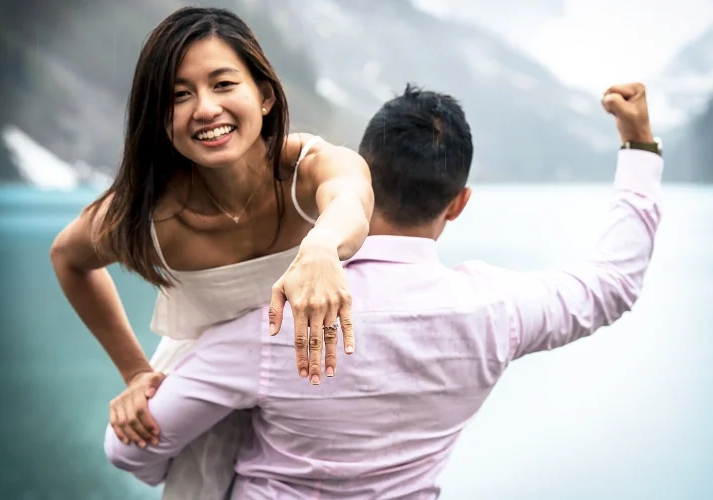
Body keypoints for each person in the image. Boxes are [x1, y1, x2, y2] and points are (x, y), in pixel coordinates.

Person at [103, 81, 663, 498]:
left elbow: (130, 448)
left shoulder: (273, 321)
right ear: (458, 202)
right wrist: (639, 146)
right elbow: (612, 285)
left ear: (358, 176)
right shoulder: (496, 311)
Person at [49, 5, 373, 499]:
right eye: (179, 95)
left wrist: (322, 248)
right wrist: (135, 371)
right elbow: (68, 259)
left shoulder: (308, 169)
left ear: (263, 96)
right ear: (160, 119)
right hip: (209, 398)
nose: (204, 108)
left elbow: (352, 195)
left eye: (223, 84)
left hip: (315, 384)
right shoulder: (147, 214)